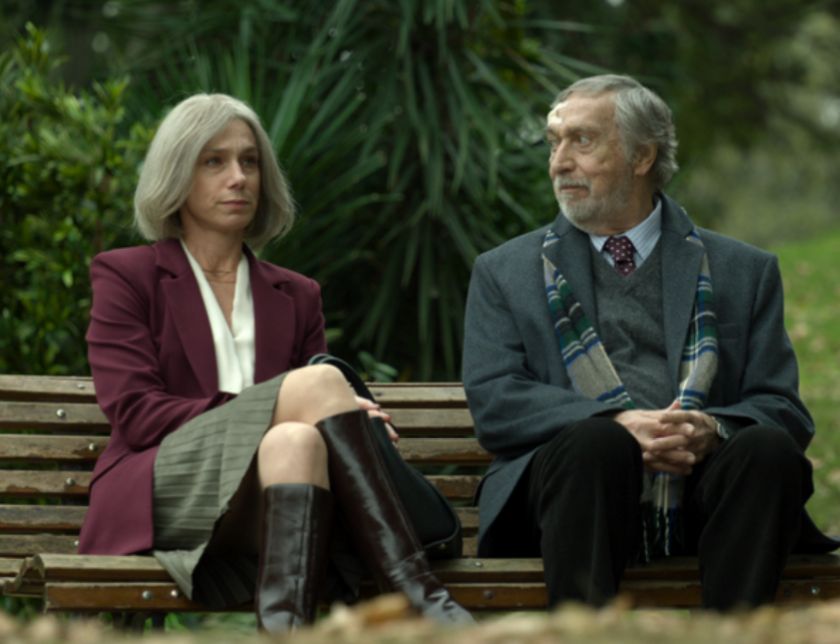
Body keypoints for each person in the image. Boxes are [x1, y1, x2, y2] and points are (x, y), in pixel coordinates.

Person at [78, 93, 473, 631]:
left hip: (264, 496)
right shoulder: (127, 275)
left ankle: (286, 634)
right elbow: (136, 414)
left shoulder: (297, 294)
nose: (238, 177)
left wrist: (338, 419)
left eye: (249, 161)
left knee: (298, 440)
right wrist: (285, 403)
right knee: (315, 389)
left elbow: (306, 416)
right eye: (214, 161)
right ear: (176, 175)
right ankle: (418, 593)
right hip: (164, 489)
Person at [462, 74, 838, 611]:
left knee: (767, 450)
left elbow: (782, 408)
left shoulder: (743, 270)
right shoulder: (504, 272)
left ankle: (734, 634)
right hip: (567, 500)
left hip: (704, 499)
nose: (559, 163)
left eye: (582, 141)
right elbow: (496, 401)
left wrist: (711, 429)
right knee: (598, 443)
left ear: (641, 156)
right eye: (554, 142)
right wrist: (616, 423)